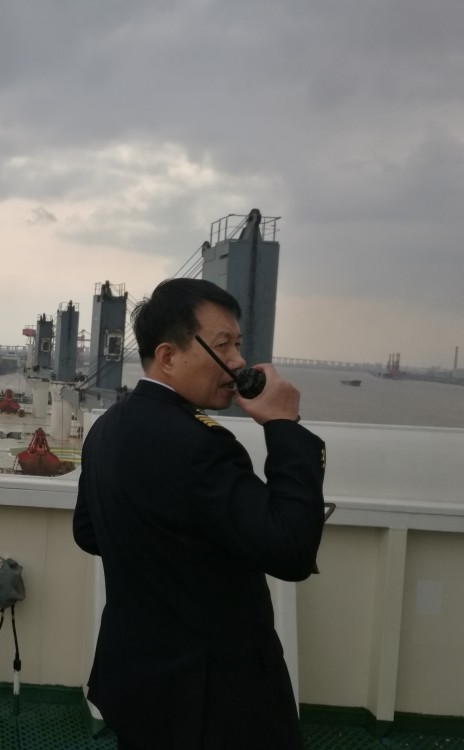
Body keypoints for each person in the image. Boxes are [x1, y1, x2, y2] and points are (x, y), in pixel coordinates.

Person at [73, 278, 326, 750]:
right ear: (168, 357)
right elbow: (291, 549)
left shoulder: (105, 429)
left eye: (238, 345)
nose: (238, 361)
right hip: (212, 703)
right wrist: (284, 426)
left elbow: (88, 532)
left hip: (135, 681)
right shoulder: (202, 446)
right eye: (223, 345)